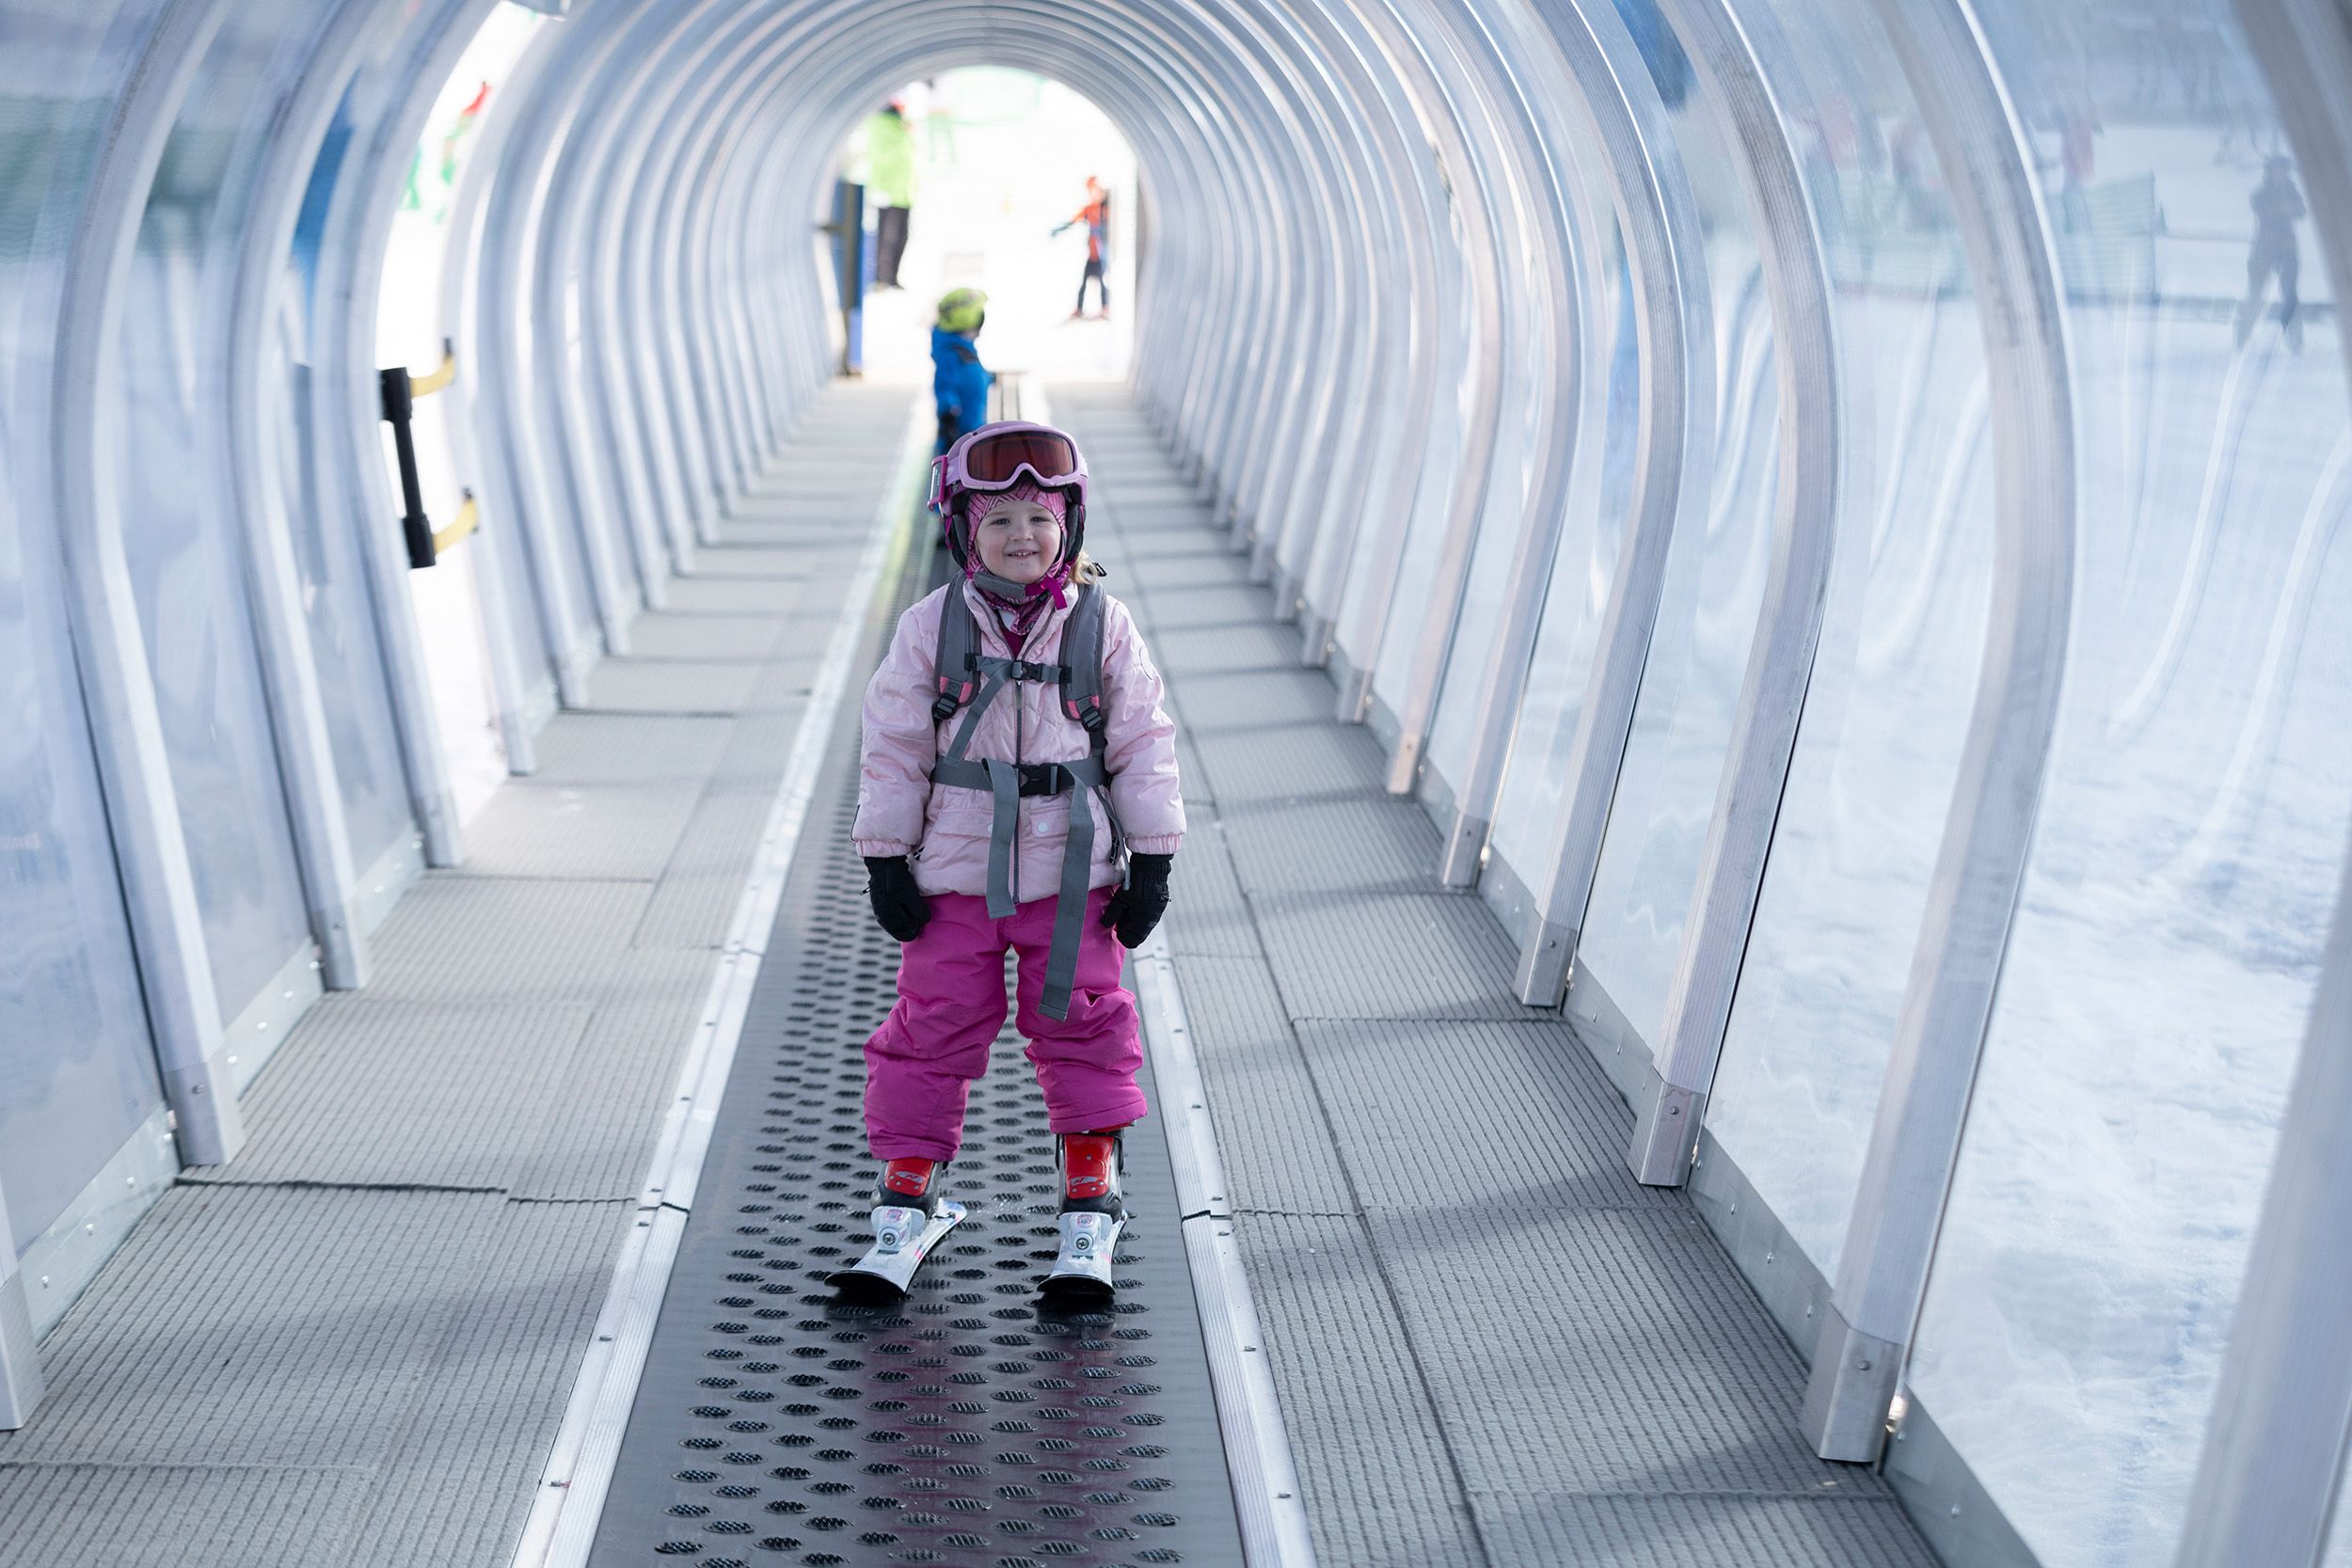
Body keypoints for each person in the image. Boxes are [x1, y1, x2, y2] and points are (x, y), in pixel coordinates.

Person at [850, 421, 1184, 1296]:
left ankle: (1089, 1187)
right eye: (998, 521)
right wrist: (886, 854)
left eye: (1038, 518)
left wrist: (1152, 854)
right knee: (930, 1027)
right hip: (956, 875)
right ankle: (909, 1187)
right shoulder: (932, 626)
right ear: (964, 531)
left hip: (1072, 879)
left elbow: (1145, 741)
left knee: (1082, 1024)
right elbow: (892, 742)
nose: (1021, 538)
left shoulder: (1102, 627)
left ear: (1067, 526)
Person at [2236, 155, 2306, 352]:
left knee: (2290, 296)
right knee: (2255, 293)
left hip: (2287, 251)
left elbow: (2300, 211)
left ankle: (2295, 342)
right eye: (2276, 170)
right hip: (2264, 251)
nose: (2279, 175)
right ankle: (2242, 338)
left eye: (2283, 171)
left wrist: (2286, 209)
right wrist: (2284, 209)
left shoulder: (2292, 192)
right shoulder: (2262, 193)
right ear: (2269, 172)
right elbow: (2265, 210)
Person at [930, 288, 991, 453]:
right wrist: (949, 414)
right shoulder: (952, 354)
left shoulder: (965, 350)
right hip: (961, 438)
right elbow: (944, 387)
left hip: (973, 433)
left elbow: (972, 376)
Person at [864, 102, 916, 290]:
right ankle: (881, 278)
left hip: (904, 192)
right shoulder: (881, 126)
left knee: (902, 236)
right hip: (887, 191)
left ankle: (893, 277)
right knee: (886, 237)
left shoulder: (902, 127)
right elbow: (883, 157)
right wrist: (904, 136)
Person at [1053, 177, 1111, 320]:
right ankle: (1079, 309)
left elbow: (1110, 228)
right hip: (1092, 253)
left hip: (1101, 253)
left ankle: (1105, 308)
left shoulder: (1106, 208)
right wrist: (1058, 229)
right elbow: (1073, 220)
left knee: (1103, 281)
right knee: (1084, 281)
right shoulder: (1089, 209)